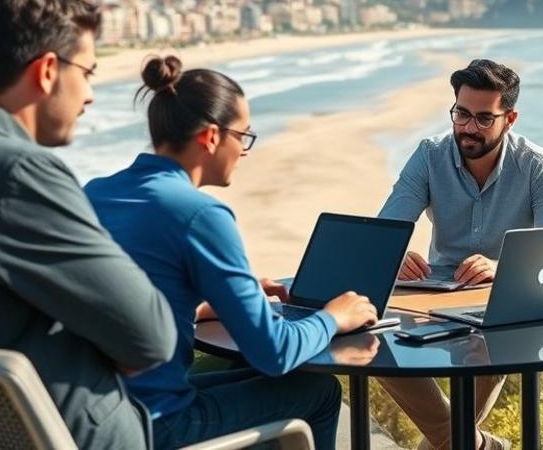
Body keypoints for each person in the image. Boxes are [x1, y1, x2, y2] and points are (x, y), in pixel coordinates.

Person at [85, 55, 378, 450]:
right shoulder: (200, 214)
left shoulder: (96, 192)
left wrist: (203, 306)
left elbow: (125, 296)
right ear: (211, 137)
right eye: (243, 136)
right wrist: (334, 317)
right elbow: (275, 352)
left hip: (103, 410)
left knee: (263, 380)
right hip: (158, 426)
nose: (244, 151)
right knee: (318, 391)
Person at [0, 0, 177, 448]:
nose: (89, 95)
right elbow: (150, 338)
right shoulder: (18, 173)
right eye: (87, 73)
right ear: (47, 70)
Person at [378, 58, 543, 450]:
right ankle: (478, 445)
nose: (469, 127)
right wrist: (393, 253)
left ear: (510, 119)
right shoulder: (429, 155)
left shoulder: (537, 165)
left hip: (498, 304)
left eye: (484, 118)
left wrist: (503, 268)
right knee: (375, 348)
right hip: (431, 295)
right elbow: (384, 234)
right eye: (461, 114)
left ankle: (462, 443)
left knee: (490, 348)